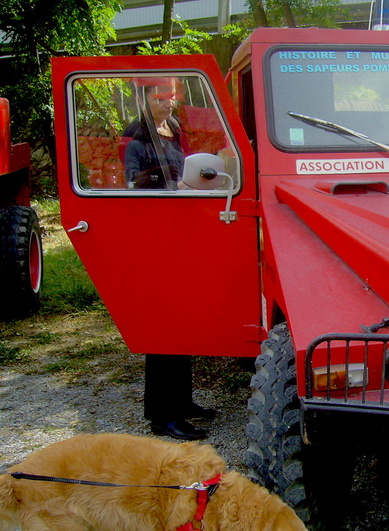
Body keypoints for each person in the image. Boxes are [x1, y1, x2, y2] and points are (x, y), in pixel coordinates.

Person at [123, 78, 216, 439]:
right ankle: (162, 415)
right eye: (159, 98)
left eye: (171, 98)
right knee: (164, 324)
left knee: (184, 320)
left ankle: (182, 400)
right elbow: (133, 186)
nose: (167, 104)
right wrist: (171, 186)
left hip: (180, 233)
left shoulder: (172, 130)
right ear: (144, 98)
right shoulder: (137, 141)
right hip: (156, 238)